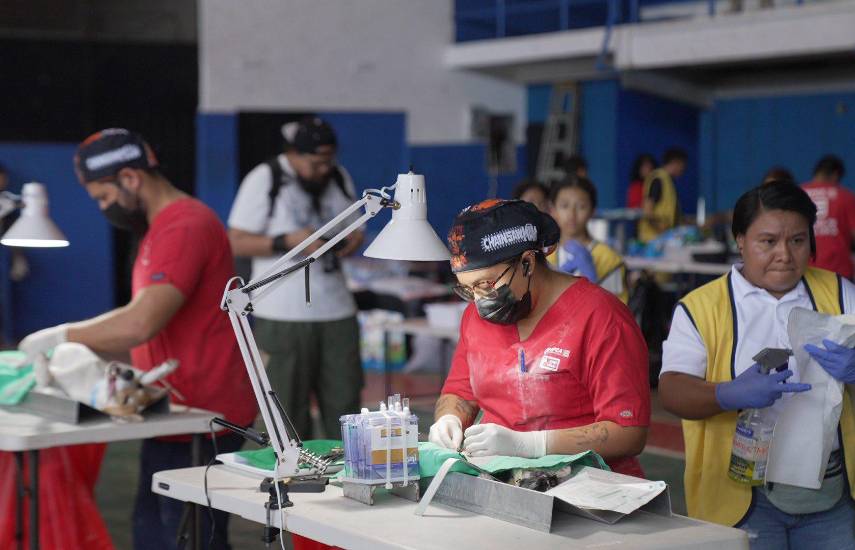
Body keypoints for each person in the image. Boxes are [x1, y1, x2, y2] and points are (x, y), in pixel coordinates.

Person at [17, 128, 257, 549]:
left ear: (130, 178)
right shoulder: (161, 228)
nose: (103, 208)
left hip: (202, 418)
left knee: (186, 540)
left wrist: (61, 336)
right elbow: (149, 328)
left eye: (103, 197)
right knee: (154, 534)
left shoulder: (184, 226)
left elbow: (140, 323)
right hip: (171, 411)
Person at [658, 182, 855, 548]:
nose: (784, 254)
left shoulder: (841, 293)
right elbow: (671, 389)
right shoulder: (701, 308)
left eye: (797, 240)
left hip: (830, 492)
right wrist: (726, 394)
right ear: (740, 240)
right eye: (768, 241)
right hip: (744, 495)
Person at [430, 199, 650, 476]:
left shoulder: (601, 317)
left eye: (485, 284)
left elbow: (628, 433)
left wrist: (532, 445)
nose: (479, 299)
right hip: (504, 479)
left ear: (527, 263)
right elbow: (460, 391)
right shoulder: (476, 318)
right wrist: (449, 419)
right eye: (468, 289)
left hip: (589, 483)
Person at [228, 116, 363, 440]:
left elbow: (357, 228)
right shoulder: (265, 178)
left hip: (336, 310)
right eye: (315, 163)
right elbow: (235, 241)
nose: (323, 170)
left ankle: (349, 467)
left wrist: (350, 242)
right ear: (292, 154)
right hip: (282, 313)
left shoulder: (338, 176)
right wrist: (287, 242)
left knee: (346, 408)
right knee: (286, 411)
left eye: (328, 161)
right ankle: (292, 470)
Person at [548, 177, 628, 303]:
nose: (572, 214)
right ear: (553, 210)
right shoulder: (545, 256)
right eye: (564, 206)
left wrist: (593, 284)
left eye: (581, 206)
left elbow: (618, 309)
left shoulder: (609, 258)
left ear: (592, 211)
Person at [802, 155, 855, 279]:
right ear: (836, 175)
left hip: (805, 270)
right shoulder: (846, 196)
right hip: (838, 271)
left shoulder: (799, 193)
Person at [638, 148, 688, 242]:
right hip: (653, 240)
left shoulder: (669, 181)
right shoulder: (658, 179)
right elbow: (647, 211)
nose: (684, 170)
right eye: (683, 165)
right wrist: (662, 230)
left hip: (665, 238)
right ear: (676, 162)